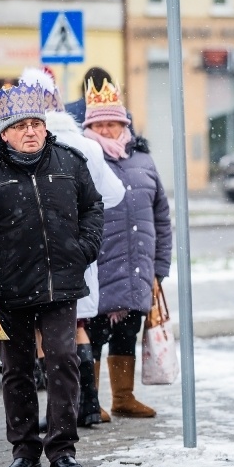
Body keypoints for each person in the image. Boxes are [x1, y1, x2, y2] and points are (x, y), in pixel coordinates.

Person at [0, 80, 104, 467]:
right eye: (22, 126)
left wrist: (83, 248)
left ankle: (62, 450)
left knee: (62, 361)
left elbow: (93, 207)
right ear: (5, 132)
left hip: (59, 284)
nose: (32, 131)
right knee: (17, 370)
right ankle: (24, 449)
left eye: (37, 123)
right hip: (7, 290)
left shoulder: (68, 161)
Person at [19, 67, 126, 429]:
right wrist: (85, 234)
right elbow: (113, 194)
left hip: (34, 257)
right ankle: (89, 406)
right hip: (77, 257)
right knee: (75, 325)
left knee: (41, 331)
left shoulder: (20, 145)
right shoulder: (87, 146)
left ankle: (54, 412)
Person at [81, 78, 172, 421]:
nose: (106, 128)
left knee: (127, 333)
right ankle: (88, 401)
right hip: (98, 268)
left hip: (137, 269)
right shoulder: (83, 158)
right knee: (93, 336)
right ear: (89, 127)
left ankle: (123, 397)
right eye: (99, 123)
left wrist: (158, 268)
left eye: (112, 122)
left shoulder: (143, 160)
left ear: (125, 124)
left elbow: (161, 216)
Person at [65, 67, 132, 132]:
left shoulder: (67, 112)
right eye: (98, 125)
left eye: (110, 125)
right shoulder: (123, 115)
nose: (104, 131)